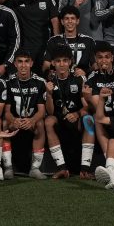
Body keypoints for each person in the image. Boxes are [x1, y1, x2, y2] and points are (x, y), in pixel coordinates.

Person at [42, 42, 90, 179]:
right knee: (48, 121)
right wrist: (49, 94)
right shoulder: (49, 82)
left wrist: (77, 114)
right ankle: (62, 168)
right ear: (53, 63)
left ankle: (85, 169)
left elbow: (88, 107)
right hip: (59, 120)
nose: (62, 64)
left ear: (70, 62)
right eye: (58, 61)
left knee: (89, 119)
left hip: (77, 119)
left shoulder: (79, 79)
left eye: (65, 60)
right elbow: (50, 112)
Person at [0, 50, 48, 180]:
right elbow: (7, 111)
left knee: (40, 123)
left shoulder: (40, 82)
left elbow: (41, 111)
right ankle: (8, 167)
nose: (23, 65)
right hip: (15, 121)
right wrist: (13, 120)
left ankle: (35, 168)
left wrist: (32, 120)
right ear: (15, 64)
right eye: (20, 62)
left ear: (31, 63)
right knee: (5, 123)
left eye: (26, 61)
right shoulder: (8, 82)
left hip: (31, 121)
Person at [84, 40, 114, 177]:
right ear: (96, 59)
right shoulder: (92, 77)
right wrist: (89, 99)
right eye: (100, 57)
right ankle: (111, 167)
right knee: (96, 119)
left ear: (112, 58)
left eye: (107, 57)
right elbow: (99, 108)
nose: (104, 60)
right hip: (104, 116)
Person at [6, 0, 60, 70]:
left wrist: (56, 42)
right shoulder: (15, 0)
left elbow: (55, 20)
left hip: (44, 46)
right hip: (24, 48)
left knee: (43, 75)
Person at [46, 5, 96, 76]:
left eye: (72, 18)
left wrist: (86, 72)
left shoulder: (88, 41)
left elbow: (95, 65)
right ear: (62, 22)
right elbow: (46, 65)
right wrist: (50, 73)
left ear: (77, 21)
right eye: (67, 18)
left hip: (83, 79)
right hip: (61, 79)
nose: (70, 21)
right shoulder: (53, 41)